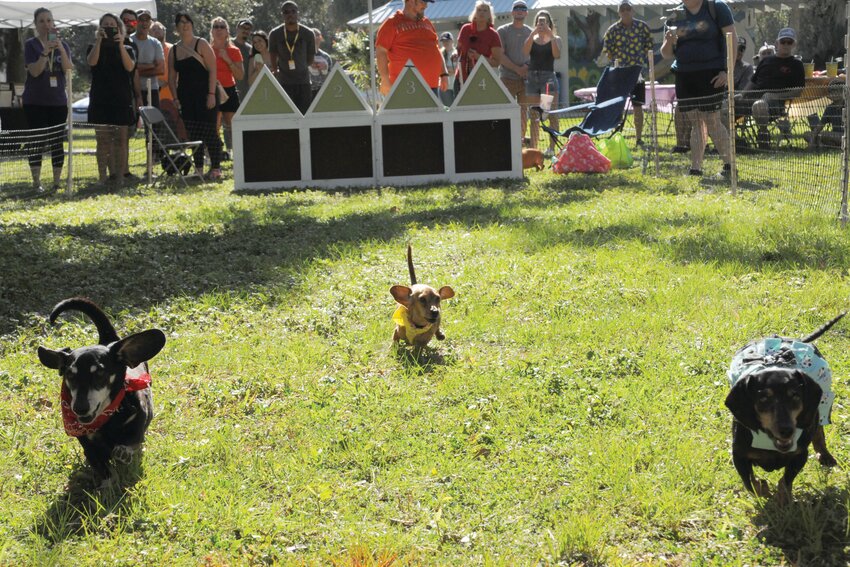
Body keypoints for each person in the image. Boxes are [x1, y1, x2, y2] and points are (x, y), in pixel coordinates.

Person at [661, 0, 735, 178]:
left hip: (712, 73)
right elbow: (666, 53)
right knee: (696, 121)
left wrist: (727, 71)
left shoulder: (716, 7)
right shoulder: (674, 15)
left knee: (712, 120)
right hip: (685, 74)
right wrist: (669, 42)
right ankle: (696, 168)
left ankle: (730, 166)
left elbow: (731, 39)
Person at [22, 7, 72, 192]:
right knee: (37, 141)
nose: (46, 24)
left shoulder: (63, 45)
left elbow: (68, 69)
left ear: (54, 23)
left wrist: (59, 48)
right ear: (36, 24)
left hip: (58, 102)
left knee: (56, 142)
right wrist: (44, 52)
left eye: (49, 20)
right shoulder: (31, 44)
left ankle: (56, 181)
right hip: (35, 102)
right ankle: (37, 182)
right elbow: (34, 71)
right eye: (42, 21)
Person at [168, 12, 224, 181]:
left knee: (209, 132)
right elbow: (171, 78)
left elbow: (213, 69)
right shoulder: (174, 50)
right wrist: (176, 98)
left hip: (206, 94)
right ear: (176, 27)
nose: (184, 25)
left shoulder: (201, 43)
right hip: (186, 97)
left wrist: (212, 94)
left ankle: (215, 168)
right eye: (181, 22)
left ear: (192, 24)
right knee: (193, 133)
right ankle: (198, 168)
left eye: (187, 22)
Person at [87, 12, 137, 186]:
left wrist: (121, 44)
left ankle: (120, 176)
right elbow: (92, 62)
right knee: (102, 140)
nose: (109, 27)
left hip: (121, 99)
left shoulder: (128, 48)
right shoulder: (93, 46)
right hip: (100, 99)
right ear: (100, 28)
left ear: (119, 28)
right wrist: (100, 41)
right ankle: (103, 177)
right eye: (105, 25)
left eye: (112, 25)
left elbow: (130, 67)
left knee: (121, 139)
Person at [738, 27, 805, 148]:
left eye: (789, 42)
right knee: (725, 106)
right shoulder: (765, 61)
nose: (785, 45)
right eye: (783, 41)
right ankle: (736, 142)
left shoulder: (797, 64)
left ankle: (763, 136)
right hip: (752, 98)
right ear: (776, 43)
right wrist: (741, 94)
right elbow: (752, 81)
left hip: (775, 104)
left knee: (760, 105)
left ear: (794, 44)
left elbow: (798, 91)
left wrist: (775, 95)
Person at [602, 0, 653, 146]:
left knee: (638, 106)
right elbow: (607, 49)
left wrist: (639, 61)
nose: (625, 11)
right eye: (622, 9)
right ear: (619, 12)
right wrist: (618, 62)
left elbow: (649, 45)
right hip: (620, 73)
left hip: (637, 73)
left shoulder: (642, 27)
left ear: (633, 11)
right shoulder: (613, 30)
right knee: (617, 106)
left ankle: (638, 138)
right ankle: (617, 136)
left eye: (628, 8)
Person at [375, 0, 449, 97]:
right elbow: (381, 51)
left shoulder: (427, 22)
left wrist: (443, 74)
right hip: (404, 87)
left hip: (432, 86)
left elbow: (436, 49)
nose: (426, 6)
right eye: (423, 2)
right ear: (410, 1)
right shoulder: (391, 23)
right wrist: (385, 79)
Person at [523, 10, 562, 156]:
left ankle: (551, 149)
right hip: (532, 79)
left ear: (549, 23)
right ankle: (534, 149)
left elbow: (557, 55)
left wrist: (550, 35)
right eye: (539, 21)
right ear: (535, 23)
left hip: (548, 79)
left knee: (550, 114)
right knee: (534, 116)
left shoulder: (555, 38)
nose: (541, 24)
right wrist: (533, 33)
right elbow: (525, 52)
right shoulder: (532, 39)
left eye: (544, 21)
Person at [268, 1, 315, 114]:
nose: (290, 14)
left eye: (293, 11)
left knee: (305, 114)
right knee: (286, 115)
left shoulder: (308, 33)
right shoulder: (275, 34)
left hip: (303, 82)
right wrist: (275, 70)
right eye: (286, 12)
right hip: (284, 82)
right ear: (282, 15)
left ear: (298, 13)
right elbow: (272, 54)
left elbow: (310, 58)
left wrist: (300, 68)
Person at [497, 1, 532, 145]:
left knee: (524, 113)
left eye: (523, 8)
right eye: (516, 8)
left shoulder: (531, 32)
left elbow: (536, 54)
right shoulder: (502, 31)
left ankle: (520, 143)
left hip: (526, 80)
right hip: (507, 78)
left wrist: (526, 68)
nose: (519, 11)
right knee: (506, 112)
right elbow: (500, 55)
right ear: (512, 12)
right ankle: (506, 142)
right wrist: (517, 69)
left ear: (526, 13)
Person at [210, 17, 243, 158]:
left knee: (233, 126)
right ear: (211, 31)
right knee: (213, 127)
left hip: (229, 90)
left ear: (227, 31)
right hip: (212, 91)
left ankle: (239, 155)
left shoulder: (234, 50)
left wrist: (227, 59)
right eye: (215, 26)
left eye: (221, 27)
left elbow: (240, 75)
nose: (218, 29)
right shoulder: (207, 50)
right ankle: (214, 154)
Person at [455, 1, 503, 94]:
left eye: (485, 10)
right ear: (474, 13)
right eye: (479, 10)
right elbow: (458, 50)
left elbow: (496, 62)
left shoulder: (493, 34)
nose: (481, 12)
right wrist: (454, 54)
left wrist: (478, 57)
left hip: (482, 80)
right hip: (461, 78)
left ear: (490, 15)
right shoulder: (465, 29)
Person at [131, 9, 164, 107]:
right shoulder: (129, 41)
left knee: (154, 122)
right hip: (132, 90)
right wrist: (151, 65)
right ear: (135, 22)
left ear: (150, 23)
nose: (144, 23)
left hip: (152, 90)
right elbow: (127, 68)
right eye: (141, 20)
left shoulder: (155, 43)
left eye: (147, 20)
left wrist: (136, 71)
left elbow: (161, 69)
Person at [805, 79, 844, 149]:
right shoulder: (830, 108)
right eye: (831, 91)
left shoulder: (847, 105)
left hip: (845, 136)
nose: (834, 93)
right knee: (806, 134)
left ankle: (824, 145)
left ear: (843, 92)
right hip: (834, 135)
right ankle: (830, 145)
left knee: (824, 134)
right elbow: (819, 126)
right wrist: (812, 140)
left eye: (837, 90)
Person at [232, 19, 253, 103]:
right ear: (237, 28)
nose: (245, 30)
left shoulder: (250, 49)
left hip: (244, 92)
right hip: (228, 88)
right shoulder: (228, 44)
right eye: (243, 27)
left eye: (248, 29)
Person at [309, 28, 334, 100]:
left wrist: (325, 68)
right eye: (313, 36)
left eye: (317, 36)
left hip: (322, 92)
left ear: (321, 38)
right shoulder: (302, 56)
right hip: (306, 91)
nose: (315, 38)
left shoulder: (326, 57)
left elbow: (330, 77)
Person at [438, 31, 458, 105]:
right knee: (448, 108)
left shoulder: (457, 52)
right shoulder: (440, 53)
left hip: (455, 85)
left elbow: (458, 69)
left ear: (452, 41)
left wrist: (447, 70)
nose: (445, 43)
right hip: (445, 87)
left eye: (447, 40)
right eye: (443, 41)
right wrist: (449, 70)